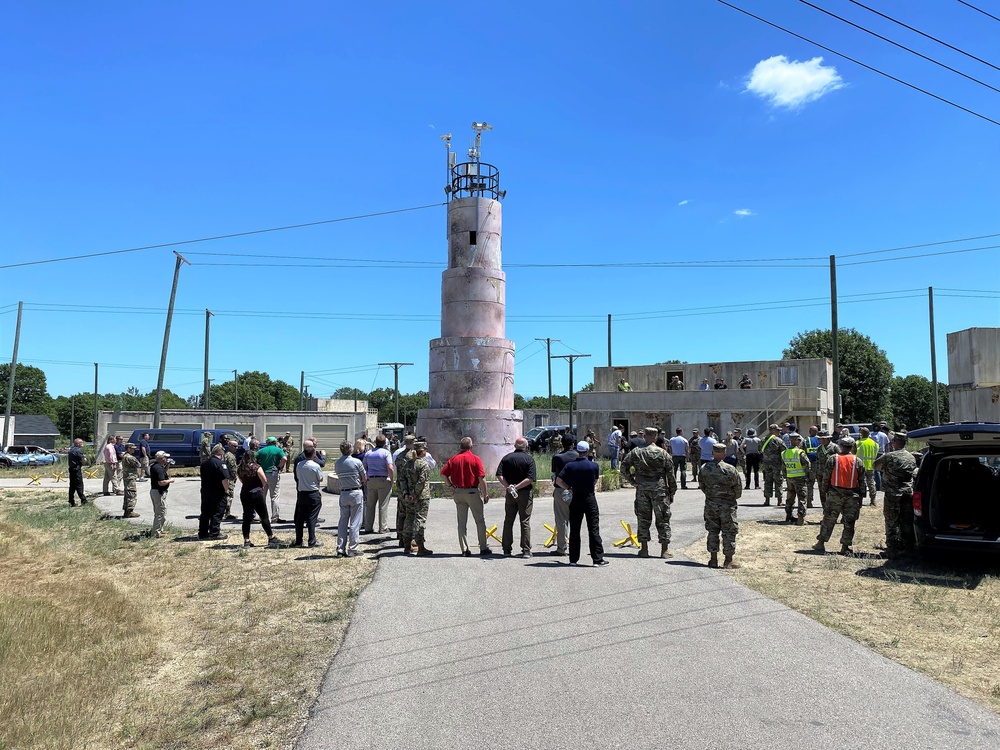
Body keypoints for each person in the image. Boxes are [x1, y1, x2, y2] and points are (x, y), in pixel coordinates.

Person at [621, 427, 677, 558]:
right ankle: (664, 550)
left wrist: (633, 482)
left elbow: (623, 468)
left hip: (642, 489)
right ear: (656, 437)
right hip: (660, 490)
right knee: (663, 519)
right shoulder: (663, 453)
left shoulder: (636, 452)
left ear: (645, 436)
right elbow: (671, 475)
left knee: (643, 519)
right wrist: (672, 492)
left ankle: (644, 549)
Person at [555, 441, 608, 567]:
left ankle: (573, 559)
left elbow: (558, 480)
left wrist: (568, 488)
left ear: (577, 450)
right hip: (589, 498)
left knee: (575, 529)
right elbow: (595, 480)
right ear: (587, 451)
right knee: (593, 528)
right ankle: (597, 559)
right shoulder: (593, 466)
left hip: (575, 498)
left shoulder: (570, 466)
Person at [813, 436, 866, 555]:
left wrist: (825, 491)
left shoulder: (833, 459)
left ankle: (820, 543)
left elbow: (826, 477)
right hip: (852, 495)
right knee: (849, 522)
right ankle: (845, 546)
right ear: (852, 447)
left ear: (841, 446)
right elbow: (862, 481)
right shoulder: (857, 461)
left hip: (834, 494)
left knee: (828, 519)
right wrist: (862, 496)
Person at [440, 437, 491, 557]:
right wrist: (485, 493)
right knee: (479, 520)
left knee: (461, 522)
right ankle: (483, 547)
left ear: (460, 446)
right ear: (471, 446)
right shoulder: (475, 459)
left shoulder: (453, 459)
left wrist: (450, 486)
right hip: (472, 491)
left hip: (458, 492)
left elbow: (443, 474)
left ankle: (465, 549)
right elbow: (481, 478)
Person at [873, 431, 918, 560]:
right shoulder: (911, 457)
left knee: (891, 521)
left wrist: (886, 470)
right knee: (907, 521)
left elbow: (875, 466)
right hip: (907, 493)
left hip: (893, 494)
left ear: (895, 442)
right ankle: (908, 548)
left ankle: (892, 550)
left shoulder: (889, 456)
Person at [700, 442, 743, 568]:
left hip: (711, 504)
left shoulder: (704, 468)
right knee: (729, 532)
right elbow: (738, 490)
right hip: (727, 505)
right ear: (724, 454)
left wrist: (712, 495)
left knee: (712, 531)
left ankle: (713, 560)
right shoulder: (731, 469)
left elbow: (702, 486)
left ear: (713, 453)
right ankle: (728, 560)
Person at [497, 437, 537, 558]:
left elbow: (499, 475)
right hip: (524, 493)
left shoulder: (506, 458)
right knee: (524, 521)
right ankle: (525, 550)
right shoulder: (529, 459)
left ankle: (506, 549)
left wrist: (509, 487)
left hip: (510, 493)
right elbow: (530, 479)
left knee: (509, 520)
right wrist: (518, 487)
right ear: (526, 446)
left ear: (515, 446)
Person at [236, 449, 282, 548]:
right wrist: (259, 486)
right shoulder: (257, 467)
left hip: (245, 493)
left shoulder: (240, 468)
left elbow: (241, 480)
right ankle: (270, 537)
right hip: (256, 493)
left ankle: (246, 540)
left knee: (247, 517)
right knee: (263, 515)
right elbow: (264, 480)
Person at [399, 441, 433, 555]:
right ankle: (420, 547)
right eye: (425, 450)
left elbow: (401, 479)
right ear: (422, 451)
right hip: (421, 497)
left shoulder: (407, 463)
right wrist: (414, 494)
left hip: (408, 497)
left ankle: (407, 546)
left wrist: (406, 494)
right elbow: (421, 482)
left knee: (409, 519)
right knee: (419, 520)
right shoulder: (423, 465)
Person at [547, 435, 579, 556]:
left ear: (562, 443)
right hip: (576, 491)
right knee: (576, 520)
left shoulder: (557, 457)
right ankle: (575, 547)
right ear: (573, 443)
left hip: (561, 489)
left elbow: (555, 474)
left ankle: (561, 547)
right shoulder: (578, 456)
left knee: (561, 520)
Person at [335, 440, 367, 557]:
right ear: (350, 450)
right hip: (355, 492)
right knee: (355, 522)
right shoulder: (356, 462)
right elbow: (364, 478)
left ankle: (340, 548)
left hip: (343, 493)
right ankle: (353, 549)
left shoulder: (337, 463)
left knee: (343, 522)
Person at [294, 443, 326, 548]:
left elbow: (298, 477)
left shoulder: (299, 465)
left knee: (300, 518)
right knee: (312, 518)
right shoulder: (315, 465)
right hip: (313, 493)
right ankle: (312, 540)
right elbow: (320, 478)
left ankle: (298, 540)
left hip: (302, 493)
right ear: (313, 455)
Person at [361, 434, 395, 534]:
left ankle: (368, 527)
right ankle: (382, 527)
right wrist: (392, 479)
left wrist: (365, 479)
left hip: (371, 480)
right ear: (385, 443)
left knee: (370, 505)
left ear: (375, 442)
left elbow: (363, 467)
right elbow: (390, 467)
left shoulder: (368, 453)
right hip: (383, 480)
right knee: (383, 505)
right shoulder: (386, 453)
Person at [198, 444, 230, 541]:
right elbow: (224, 479)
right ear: (221, 454)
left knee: (205, 512)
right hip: (218, 491)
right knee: (217, 511)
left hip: (205, 490)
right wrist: (226, 490)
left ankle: (202, 533)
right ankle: (215, 532)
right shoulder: (220, 463)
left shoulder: (204, 463)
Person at [256, 436, 287, 522]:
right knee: (274, 496)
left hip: (262, 474)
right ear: (275, 442)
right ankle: (274, 517)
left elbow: (253, 458)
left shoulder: (262, 451)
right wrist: (279, 467)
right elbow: (284, 458)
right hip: (273, 474)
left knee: (262, 496)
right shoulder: (278, 450)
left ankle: (262, 517)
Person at [781, 433, 810, 525]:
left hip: (790, 478)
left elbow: (783, 467)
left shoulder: (784, 453)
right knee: (802, 498)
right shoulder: (800, 452)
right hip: (800, 478)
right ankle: (801, 519)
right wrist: (806, 474)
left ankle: (788, 516)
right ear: (796, 441)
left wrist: (786, 476)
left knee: (790, 498)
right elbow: (807, 465)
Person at [148, 451, 174, 538]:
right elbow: (161, 482)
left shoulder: (157, 466)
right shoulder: (158, 468)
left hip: (155, 492)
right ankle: (155, 533)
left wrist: (168, 465)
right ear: (160, 458)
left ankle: (159, 530)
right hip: (158, 492)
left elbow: (163, 472)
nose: (165, 459)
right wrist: (170, 480)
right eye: (164, 458)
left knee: (160, 512)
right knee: (160, 513)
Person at [761, 423, 785, 506]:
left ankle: (767, 500)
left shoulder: (763, 440)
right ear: (773, 430)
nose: (779, 432)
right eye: (777, 430)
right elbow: (784, 451)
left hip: (767, 464)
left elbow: (760, 449)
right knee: (778, 481)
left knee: (768, 481)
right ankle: (779, 500)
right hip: (776, 464)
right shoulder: (778, 440)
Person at [857, 427, 879, 506]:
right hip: (871, 466)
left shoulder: (858, 443)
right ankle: (873, 500)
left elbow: (853, 453)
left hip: (860, 467)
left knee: (860, 484)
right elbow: (876, 454)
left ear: (861, 434)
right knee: (871, 483)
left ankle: (860, 501)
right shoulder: (874, 443)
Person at [815, 430, 836, 507]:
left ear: (826, 438)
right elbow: (817, 461)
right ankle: (825, 511)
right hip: (821, 474)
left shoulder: (834, 447)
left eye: (821, 438)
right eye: (819, 438)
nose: (819, 440)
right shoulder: (819, 448)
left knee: (832, 493)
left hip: (831, 474)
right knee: (822, 493)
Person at [120, 442, 141, 519]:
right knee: (131, 493)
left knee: (127, 493)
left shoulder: (125, 456)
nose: (134, 450)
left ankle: (127, 510)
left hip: (127, 477)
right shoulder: (129, 457)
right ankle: (129, 511)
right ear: (128, 448)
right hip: (130, 477)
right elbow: (138, 464)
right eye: (133, 449)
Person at [803, 426, 821, 508]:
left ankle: (809, 502)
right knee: (822, 484)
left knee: (810, 484)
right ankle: (824, 502)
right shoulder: (821, 440)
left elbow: (803, 452)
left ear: (809, 431)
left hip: (810, 464)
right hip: (820, 464)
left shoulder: (806, 440)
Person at [67, 437, 88, 506]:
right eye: (81, 442)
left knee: (72, 486)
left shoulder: (71, 449)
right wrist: (85, 459)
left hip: (71, 469)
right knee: (79, 485)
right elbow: (83, 460)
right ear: (78, 443)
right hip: (76, 470)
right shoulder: (77, 451)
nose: (82, 444)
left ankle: (71, 501)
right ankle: (83, 500)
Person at [223, 439, 240, 520]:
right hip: (229, 478)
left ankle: (226, 512)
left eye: (237, 446)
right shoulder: (230, 456)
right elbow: (232, 468)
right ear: (230, 446)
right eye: (234, 446)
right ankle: (227, 513)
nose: (236, 448)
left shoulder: (227, 454)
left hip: (226, 478)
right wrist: (235, 476)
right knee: (229, 495)